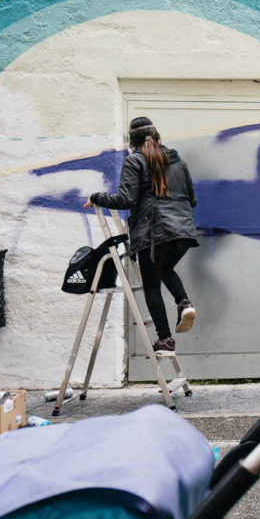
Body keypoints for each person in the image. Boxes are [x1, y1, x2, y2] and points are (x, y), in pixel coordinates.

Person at [86, 117, 199, 354]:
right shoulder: (178, 161)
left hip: (154, 234)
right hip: (183, 231)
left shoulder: (134, 161)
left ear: (132, 142)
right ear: (157, 136)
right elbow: (192, 198)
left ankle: (165, 340)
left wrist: (96, 196)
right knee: (165, 269)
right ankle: (184, 303)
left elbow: (126, 199)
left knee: (151, 284)